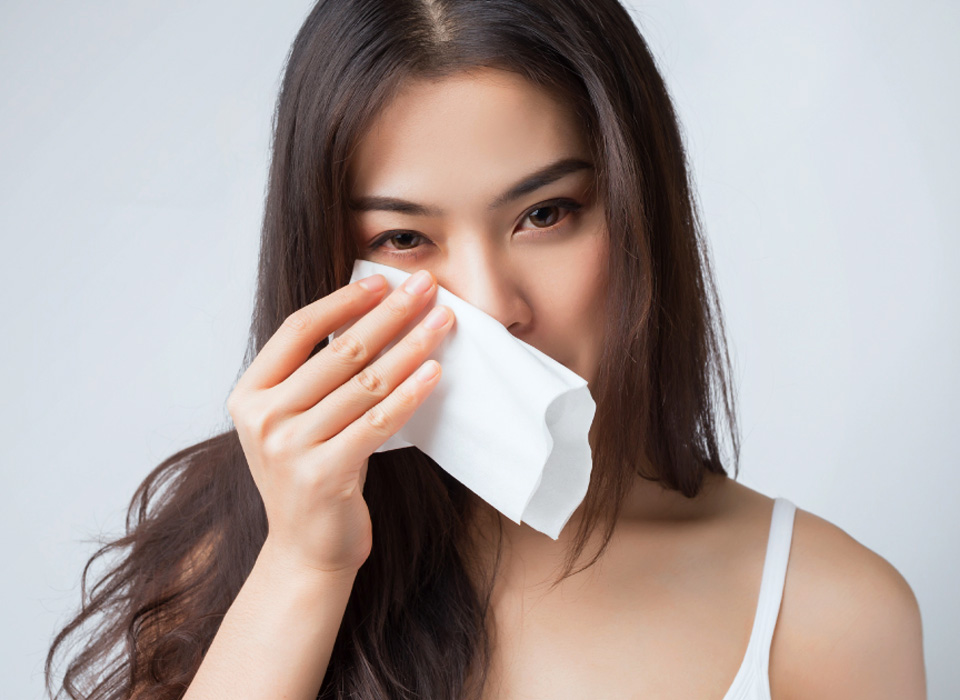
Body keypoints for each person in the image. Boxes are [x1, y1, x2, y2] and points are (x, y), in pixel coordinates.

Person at [45, 1, 927, 698]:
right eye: (403, 239)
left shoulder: (824, 612)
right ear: (324, 260)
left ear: (637, 212)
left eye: (544, 216)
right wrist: (305, 566)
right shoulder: (226, 557)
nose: (493, 307)